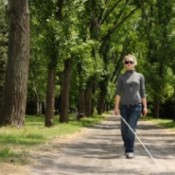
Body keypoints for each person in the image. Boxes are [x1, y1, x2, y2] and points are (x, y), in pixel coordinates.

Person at [114, 54, 148, 159]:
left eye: (131, 62)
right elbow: (118, 93)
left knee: (131, 128)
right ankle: (127, 144)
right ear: (124, 64)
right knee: (124, 130)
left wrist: (145, 107)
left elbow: (143, 92)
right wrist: (116, 107)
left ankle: (130, 150)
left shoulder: (140, 76)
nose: (129, 64)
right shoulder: (121, 77)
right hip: (124, 106)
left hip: (136, 106)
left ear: (134, 63)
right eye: (126, 62)